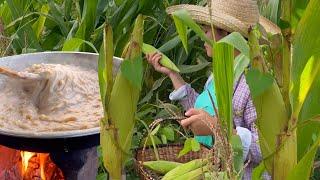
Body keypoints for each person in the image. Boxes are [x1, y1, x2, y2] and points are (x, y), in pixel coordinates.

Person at [146, 0, 280, 179]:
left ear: (226, 34)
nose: (202, 36)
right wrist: (172, 74)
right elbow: (206, 111)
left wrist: (216, 128)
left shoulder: (255, 82)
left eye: (206, 30)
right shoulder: (220, 72)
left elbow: (268, 148)